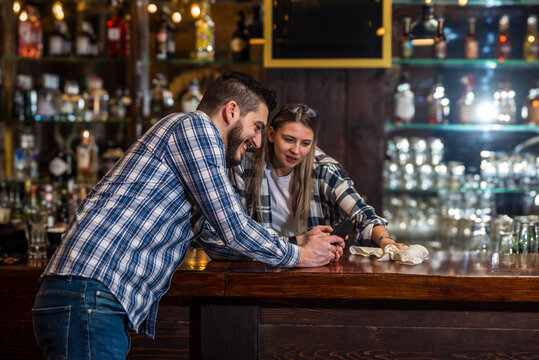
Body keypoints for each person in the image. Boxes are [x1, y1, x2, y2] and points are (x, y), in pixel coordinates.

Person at [32, 73, 345, 360]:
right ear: (232, 111)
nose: (259, 141)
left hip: (91, 296)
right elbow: (234, 227)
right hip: (91, 295)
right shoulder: (194, 128)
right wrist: (299, 255)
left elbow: (219, 239)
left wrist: (295, 240)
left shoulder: (194, 149)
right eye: (258, 127)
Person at [198, 103, 405, 260]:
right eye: (289, 140)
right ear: (271, 134)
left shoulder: (323, 169)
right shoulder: (245, 163)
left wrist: (386, 241)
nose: (296, 150)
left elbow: (362, 214)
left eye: (305, 143)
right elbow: (229, 230)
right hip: (260, 263)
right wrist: (296, 243)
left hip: (314, 266)